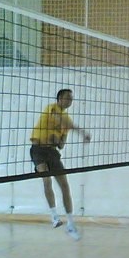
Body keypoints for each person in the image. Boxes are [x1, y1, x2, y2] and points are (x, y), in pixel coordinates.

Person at [30, 89, 91, 240]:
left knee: (64, 185)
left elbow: (61, 145)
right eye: (67, 98)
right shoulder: (52, 108)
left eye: (71, 99)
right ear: (59, 99)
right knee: (47, 180)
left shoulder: (67, 119)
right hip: (38, 150)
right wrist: (82, 132)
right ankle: (54, 217)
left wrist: (57, 141)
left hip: (52, 152)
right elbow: (61, 120)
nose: (69, 101)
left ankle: (70, 224)